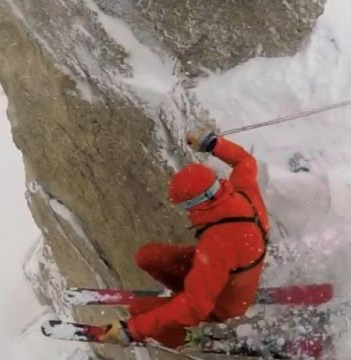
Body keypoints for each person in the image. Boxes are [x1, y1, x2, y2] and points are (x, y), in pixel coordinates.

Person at [95, 131, 269, 348]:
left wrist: (132, 330)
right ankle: (183, 294)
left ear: (194, 204)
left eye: (185, 206)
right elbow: (244, 161)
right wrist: (212, 144)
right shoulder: (242, 193)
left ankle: (192, 340)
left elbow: (196, 307)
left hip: (224, 302)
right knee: (147, 256)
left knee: (139, 310)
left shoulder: (218, 244)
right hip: (230, 268)